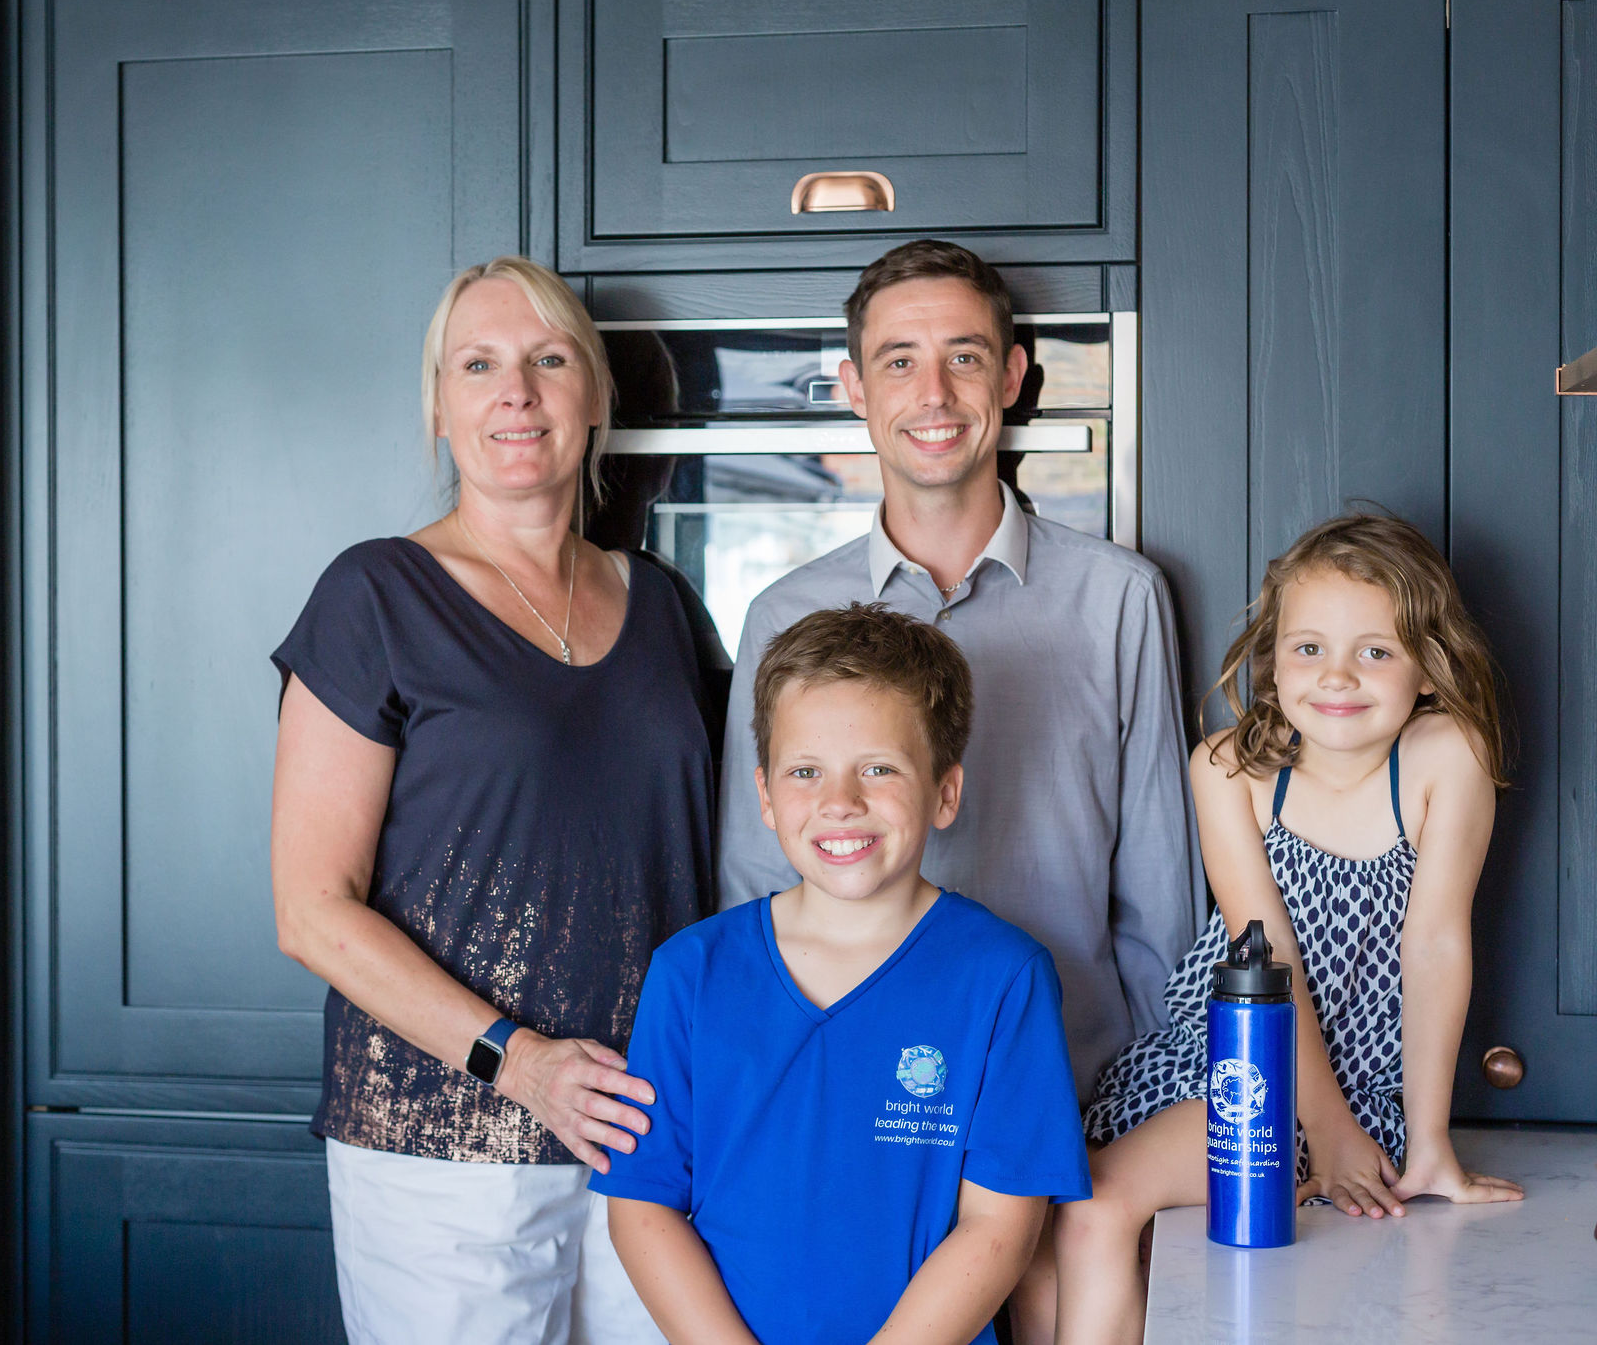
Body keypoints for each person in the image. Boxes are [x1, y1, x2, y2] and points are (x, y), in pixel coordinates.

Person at [270, 255, 712, 1344]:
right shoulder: (374, 595)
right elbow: (311, 910)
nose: (515, 392)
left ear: (593, 396)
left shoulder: (661, 605)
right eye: (477, 365)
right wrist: (517, 1061)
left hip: (650, 1135)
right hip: (444, 1149)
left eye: (548, 360)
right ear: (438, 406)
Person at [1018, 513, 1526, 1345]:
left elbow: (1435, 944)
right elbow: (1269, 956)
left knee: (1097, 1206)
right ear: (1273, 659)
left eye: (1376, 650)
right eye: (1308, 647)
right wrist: (1322, 1128)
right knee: (1059, 1216)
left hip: (1347, 1093)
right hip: (1227, 1059)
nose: (1337, 675)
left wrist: (1424, 1140)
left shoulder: (1446, 755)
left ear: (1429, 668)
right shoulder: (1230, 768)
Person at [717, 240, 1200, 1099]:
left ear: (1011, 376)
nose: (933, 393)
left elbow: (1160, 903)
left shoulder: (1120, 599)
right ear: (856, 387)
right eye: (899, 361)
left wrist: (1140, 1108)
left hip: (1074, 1101)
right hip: (854, 1095)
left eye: (964, 357)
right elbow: (755, 891)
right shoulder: (782, 616)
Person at [593, 603, 1090, 1345]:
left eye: (878, 769)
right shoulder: (690, 973)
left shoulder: (1004, 978)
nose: (840, 803)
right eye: (805, 772)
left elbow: (1000, 1228)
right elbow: (641, 1207)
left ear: (945, 792)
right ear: (765, 796)